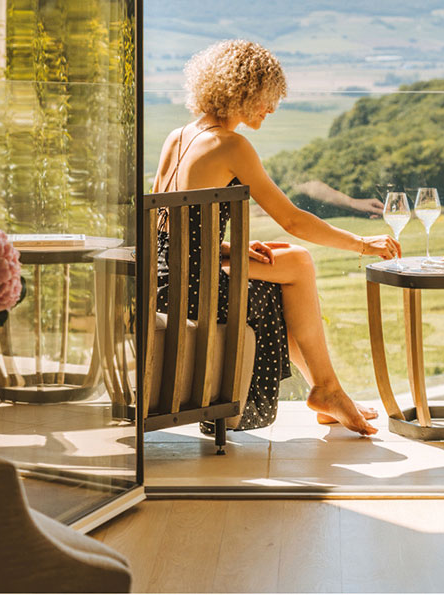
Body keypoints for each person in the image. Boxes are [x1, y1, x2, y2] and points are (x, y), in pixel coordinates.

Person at [153, 39, 401, 437]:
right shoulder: (229, 144)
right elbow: (293, 220)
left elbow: (168, 228)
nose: (272, 108)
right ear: (243, 92)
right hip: (195, 286)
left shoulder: (178, 136)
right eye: (267, 97)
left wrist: (226, 248)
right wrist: (361, 243)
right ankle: (328, 390)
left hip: (168, 278)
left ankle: (328, 391)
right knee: (299, 261)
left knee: (285, 265)